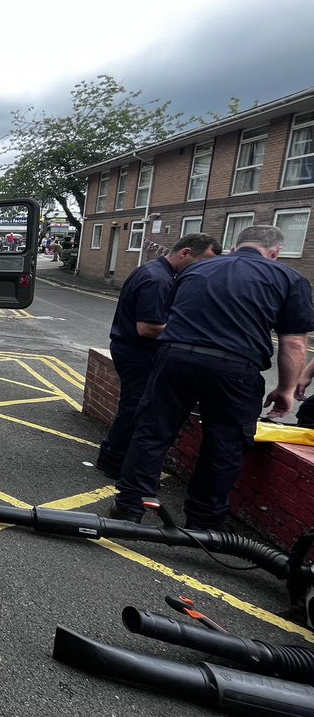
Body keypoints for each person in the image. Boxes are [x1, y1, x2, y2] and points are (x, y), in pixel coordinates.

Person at [111, 225, 314, 529]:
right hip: (235, 369)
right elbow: (295, 342)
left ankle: (130, 506)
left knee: (153, 432)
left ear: (235, 247)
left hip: (175, 359)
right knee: (225, 445)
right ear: (275, 253)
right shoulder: (289, 278)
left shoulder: (196, 270)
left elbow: (175, 314)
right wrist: (286, 388)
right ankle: (204, 521)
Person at [94, 233, 221, 479]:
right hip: (138, 352)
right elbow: (148, 328)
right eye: (204, 260)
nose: (206, 267)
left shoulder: (153, 270)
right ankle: (115, 463)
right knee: (135, 409)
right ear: (185, 252)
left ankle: (111, 457)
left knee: (132, 406)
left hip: (130, 349)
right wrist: (191, 328)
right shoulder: (158, 280)